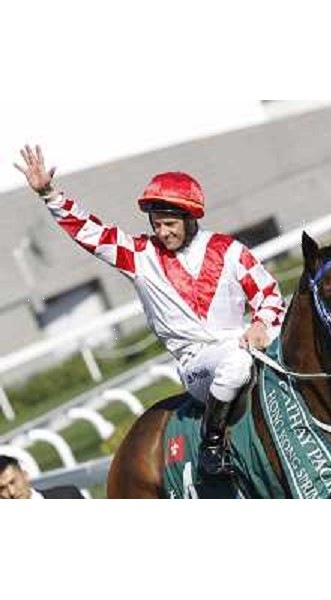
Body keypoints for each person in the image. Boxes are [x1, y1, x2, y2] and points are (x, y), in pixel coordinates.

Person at [14, 145, 285, 476]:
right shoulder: (139, 256)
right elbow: (91, 233)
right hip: (199, 364)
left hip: (246, 344)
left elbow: (270, 296)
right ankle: (211, 446)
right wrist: (49, 194)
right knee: (236, 364)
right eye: (157, 224)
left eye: (170, 224)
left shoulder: (230, 251)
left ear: (190, 218)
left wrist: (261, 324)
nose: (162, 232)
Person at [0, 455, 84, 499]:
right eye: (2, 488)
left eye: (13, 482)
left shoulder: (68, 496)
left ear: (25, 475)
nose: (12, 492)